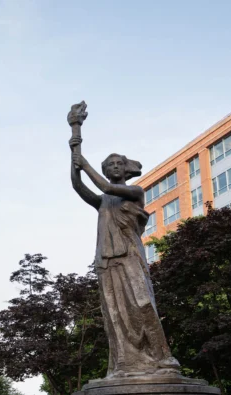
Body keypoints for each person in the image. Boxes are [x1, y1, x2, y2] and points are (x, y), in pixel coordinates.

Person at [67, 108, 180, 378]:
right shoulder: (103, 202)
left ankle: (163, 358)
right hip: (106, 260)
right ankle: (124, 364)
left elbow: (106, 187)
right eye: (110, 165)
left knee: (143, 303)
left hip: (129, 255)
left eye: (119, 163)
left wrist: (84, 163)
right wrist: (75, 138)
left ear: (126, 169)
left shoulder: (134, 192)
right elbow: (77, 185)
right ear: (106, 170)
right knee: (115, 313)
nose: (115, 167)